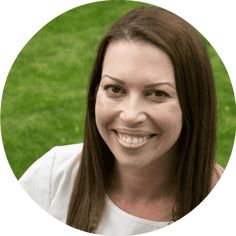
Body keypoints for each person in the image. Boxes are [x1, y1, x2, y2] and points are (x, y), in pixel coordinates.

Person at [19, 6, 224, 235]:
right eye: (115, 89)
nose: (130, 115)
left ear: (194, 103)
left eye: (157, 93)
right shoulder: (51, 178)